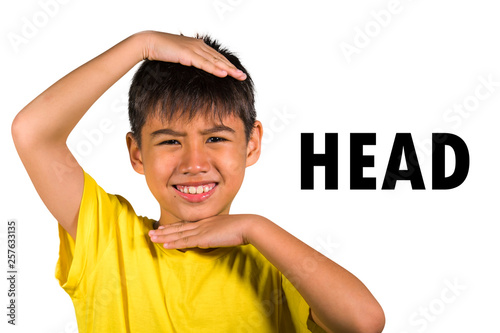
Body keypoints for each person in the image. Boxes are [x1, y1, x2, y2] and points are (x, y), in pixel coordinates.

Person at [11, 31, 385, 332]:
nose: (194, 163)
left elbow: (363, 322)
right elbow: (32, 133)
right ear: (137, 152)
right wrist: (140, 45)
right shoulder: (108, 241)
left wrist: (255, 227)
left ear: (251, 144)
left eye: (216, 139)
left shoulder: (278, 267)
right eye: (171, 141)